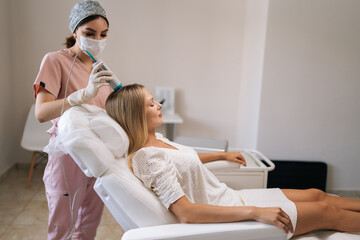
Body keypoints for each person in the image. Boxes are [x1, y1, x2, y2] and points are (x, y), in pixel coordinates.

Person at [105, 84, 360, 239]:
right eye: (151, 104)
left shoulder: (157, 140)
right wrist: (256, 212)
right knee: (328, 212)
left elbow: (183, 161)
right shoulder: (148, 158)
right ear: (136, 114)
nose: (159, 105)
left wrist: (221, 155)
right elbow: (186, 213)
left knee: (317, 194)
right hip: (232, 212)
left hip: (233, 198)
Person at [33, 1, 115, 239]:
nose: (97, 40)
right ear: (74, 31)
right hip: (68, 158)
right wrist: (81, 96)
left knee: (88, 226)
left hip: (98, 157)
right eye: (89, 33)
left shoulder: (101, 69)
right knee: (62, 230)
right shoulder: (55, 61)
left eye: (103, 34)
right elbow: (41, 113)